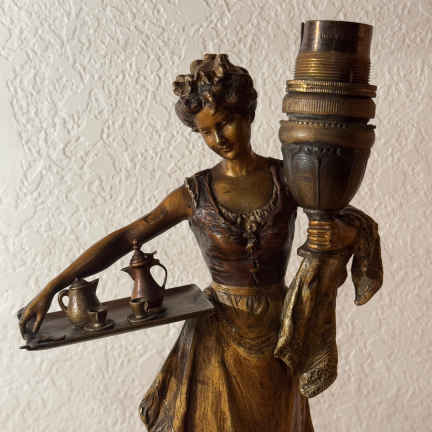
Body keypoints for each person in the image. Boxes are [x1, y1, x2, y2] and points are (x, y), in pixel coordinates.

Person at [19, 53, 370, 431]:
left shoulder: (287, 179)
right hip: (217, 334)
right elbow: (124, 238)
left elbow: (348, 220)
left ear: (248, 113)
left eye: (226, 122)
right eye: (206, 131)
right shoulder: (194, 194)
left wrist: (342, 235)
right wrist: (52, 288)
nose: (219, 139)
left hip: (279, 333)